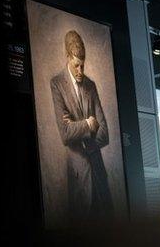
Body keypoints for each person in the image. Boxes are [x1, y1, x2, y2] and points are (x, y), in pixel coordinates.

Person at [50, 30, 113, 223]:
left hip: (99, 174)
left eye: (83, 66)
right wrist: (88, 124)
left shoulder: (91, 86)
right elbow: (66, 134)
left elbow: (105, 133)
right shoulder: (57, 84)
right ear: (68, 57)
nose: (80, 71)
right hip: (78, 178)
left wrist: (83, 140)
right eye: (77, 65)